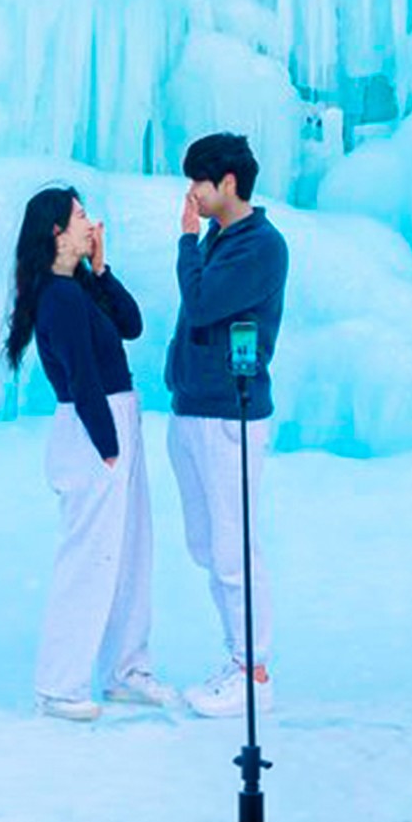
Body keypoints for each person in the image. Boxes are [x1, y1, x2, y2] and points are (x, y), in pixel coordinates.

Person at [5, 185, 179, 721]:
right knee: (90, 559)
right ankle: (58, 686)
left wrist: (102, 269)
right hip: (93, 430)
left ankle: (125, 671)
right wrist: (108, 447)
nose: (91, 223)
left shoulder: (77, 286)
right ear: (56, 232)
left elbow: (131, 325)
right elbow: (81, 378)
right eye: (80, 217)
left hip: (113, 420)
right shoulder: (56, 297)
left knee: (129, 553)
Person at [165, 130, 289, 718]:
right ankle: (238, 658)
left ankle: (252, 669)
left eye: (198, 182)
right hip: (194, 407)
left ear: (228, 183)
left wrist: (187, 243)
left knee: (233, 546)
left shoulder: (260, 246)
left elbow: (204, 302)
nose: (191, 193)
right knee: (206, 544)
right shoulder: (220, 238)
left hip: (228, 418)